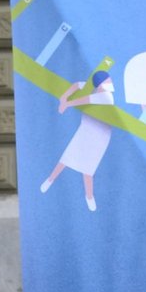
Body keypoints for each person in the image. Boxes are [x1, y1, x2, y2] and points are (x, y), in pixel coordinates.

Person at [40, 71, 116, 212]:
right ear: (101, 83)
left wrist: (67, 103)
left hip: (100, 136)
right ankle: (50, 180)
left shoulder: (107, 97)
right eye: (108, 81)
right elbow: (76, 85)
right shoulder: (91, 89)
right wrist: (64, 97)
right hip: (86, 129)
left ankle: (89, 196)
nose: (111, 83)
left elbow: (85, 100)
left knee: (88, 167)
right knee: (67, 158)